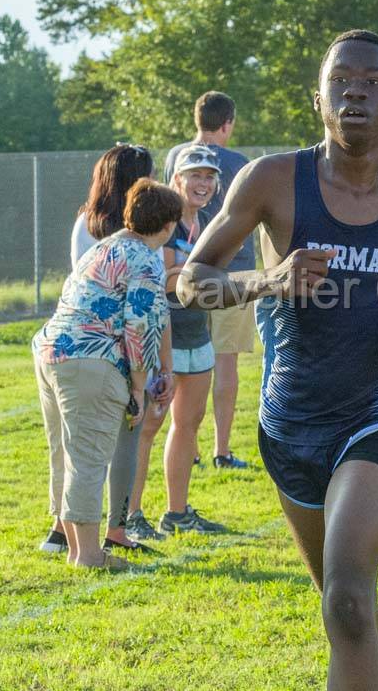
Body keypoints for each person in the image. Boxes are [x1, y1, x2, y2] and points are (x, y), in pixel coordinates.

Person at [177, 30, 378, 691]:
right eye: (340, 81)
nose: (354, 90)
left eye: (370, 81)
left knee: (346, 599)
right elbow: (191, 280)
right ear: (319, 99)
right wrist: (268, 282)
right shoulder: (273, 179)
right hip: (292, 424)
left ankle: (370, 628)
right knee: (343, 606)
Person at [32, 178, 179, 570]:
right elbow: (139, 325)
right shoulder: (148, 260)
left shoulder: (105, 246)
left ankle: (68, 539)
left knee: (65, 453)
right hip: (90, 358)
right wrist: (138, 384)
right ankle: (87, 555)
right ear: (167, 226)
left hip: (51, 350)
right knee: (90, 457)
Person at [128, 146, 228, 539]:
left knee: (188, 424)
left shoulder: (208, 221)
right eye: (195, 175)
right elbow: (168, 280)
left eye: (209, 176)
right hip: (163, 338)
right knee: (147, 426)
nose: (203, 184)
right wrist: (202, 274)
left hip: (197, 333)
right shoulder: (166, 221)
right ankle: (130, 514)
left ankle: (177, 512)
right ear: (176, 179)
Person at [165, 91, 254, 470]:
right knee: (225, 362)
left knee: (189, 364)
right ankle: (222, 448)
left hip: (187, 276)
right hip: (233, 272)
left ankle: (190, 446)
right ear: (228, 123)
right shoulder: (240, 163)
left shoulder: (174, 156)